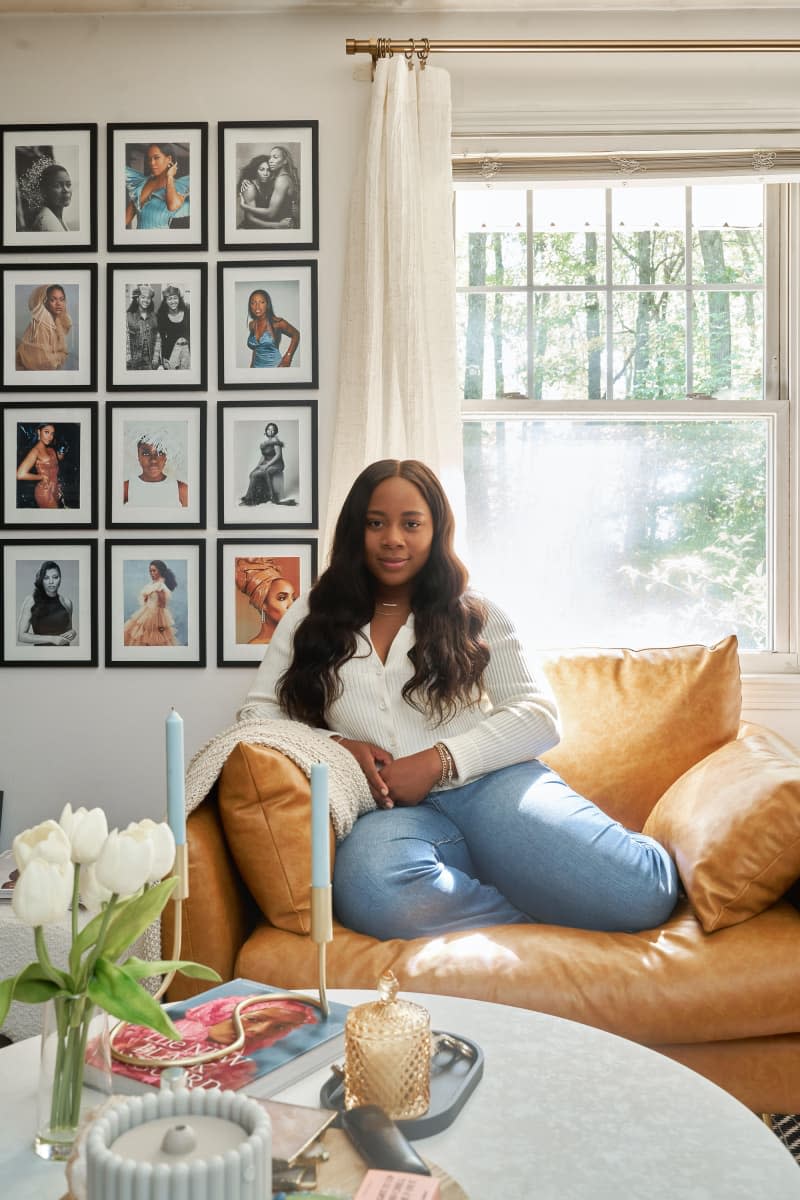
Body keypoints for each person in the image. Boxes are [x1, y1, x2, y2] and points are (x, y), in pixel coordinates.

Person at [239, 459, 679, 942]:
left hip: (494, 789)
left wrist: (440, 760)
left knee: (643, 893)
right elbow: (257, 716)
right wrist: (340, 745)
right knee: (371, 890)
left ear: (436, 529)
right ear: (353, 530)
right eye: (375, 523)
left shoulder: (476, 610)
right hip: (391, 815)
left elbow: (538, 716)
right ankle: (522, 912)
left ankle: (547, 862)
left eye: (411, 524)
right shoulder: (309, 615)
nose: (393, 539)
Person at [125, 142, 190, 230]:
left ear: (169, 159)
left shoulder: (179, 185)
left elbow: (172, 206)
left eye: (156, 158)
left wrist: (169, 177)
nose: (151, 163)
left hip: (162, 240)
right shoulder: (143, 183)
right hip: (138, 240)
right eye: (149, 159)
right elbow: (125, 219)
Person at [235, 558, 296, 644]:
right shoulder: (254, 646)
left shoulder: (296, 642)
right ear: (263, 604)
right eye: (282, 598)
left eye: (293, 598)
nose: (292, 605)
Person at [17, 561, 76, 647]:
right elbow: (21, 636)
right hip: (41, 657)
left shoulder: (67, 602)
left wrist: (73, 632)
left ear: (60, 578)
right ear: (42, 580)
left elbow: (68, 630)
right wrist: (52, 639)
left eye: (55, 577)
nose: (51, 582)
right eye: (46, 578)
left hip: (64, 655)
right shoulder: (31, 601)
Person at [237, 146, 299, 230]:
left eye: (268, 170)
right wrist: (277, 225)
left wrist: (244, 206)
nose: (266, 173)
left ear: (285, 161)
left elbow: (272, 213)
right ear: (255, 170)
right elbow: (250, 220)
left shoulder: (277, 181)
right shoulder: (250, 187)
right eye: (261, 169)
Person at [15, 284, 72, 371]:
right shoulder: (41, 324)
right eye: (53, 300)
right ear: (45, 302)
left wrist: (60, 355)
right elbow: (44, 362)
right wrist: (61, 355)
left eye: (62, 299)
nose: (59, 303)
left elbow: (62, 351)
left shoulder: (57, 322)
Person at [122, 560, 178, 647]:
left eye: (154, 570)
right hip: (145, 613)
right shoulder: (152, 585)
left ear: (160, 571)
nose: (151, 573)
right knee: (138, 635)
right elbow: (146, 600)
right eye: (150, 571)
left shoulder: (160, 586)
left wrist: (158, 623)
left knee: (153, 638)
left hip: (155, 616)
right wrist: (147, 598)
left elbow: (162, 606)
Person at [123, 433, 188, 508]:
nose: (153, 460)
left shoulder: (182, 489)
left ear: (166, 456)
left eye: (160, 453)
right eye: (146, 453)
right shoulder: (126, 488)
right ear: (138, 456)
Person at [239, 422, 296, 506]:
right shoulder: (266, 442)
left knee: (257, 474)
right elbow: (264, 456)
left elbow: (278, 456)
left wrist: (267, 465)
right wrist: (258, 466)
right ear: (266, 430)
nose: (271, 431)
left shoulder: (275, 441)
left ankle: (250, 499)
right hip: (269, 463)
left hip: (277, 464)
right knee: (252, 474)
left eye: (273, 430)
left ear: (275, 431)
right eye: (269, 429)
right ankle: (254, 496)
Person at [16, 422, 66, 509]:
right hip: (45, 492)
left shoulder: (50, 449)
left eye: (52, 434)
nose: (50, 437)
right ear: (39, 432)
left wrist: (61, 453)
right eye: (46, 432)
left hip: (56, 488)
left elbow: (56, 463)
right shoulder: (35, 451)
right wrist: (41, 477)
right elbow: (20, 474)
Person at [17, 156, 73, 233]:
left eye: (68, 184)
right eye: (57, 185)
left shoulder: (56, 217)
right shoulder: (46, 223)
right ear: (44, 191)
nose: (66, 190)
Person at [246, 290, 299, 369]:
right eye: (253, 303)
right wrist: (251, 366)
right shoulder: (252, 325)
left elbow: (296, 334)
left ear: (267, 304)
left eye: (262, 302)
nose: (257, 306)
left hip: (275, 367)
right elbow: (256, 348)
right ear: (250, 305)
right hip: (256, 368)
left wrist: (288, 356)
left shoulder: (277, 323)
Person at [126, 284, 160, 370]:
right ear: (137, 299)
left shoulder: (155, 316)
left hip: (150, 361)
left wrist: (156, 358)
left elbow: (158, 338)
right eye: (143, 297)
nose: (146, 300)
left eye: (148, 298)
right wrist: (128, 358)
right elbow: (125, 338)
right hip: (133, 361)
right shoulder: (128, 316)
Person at [155, 286, 190, 370]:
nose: (173, 301)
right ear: (166, 301)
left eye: (175, 298)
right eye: (169, 299)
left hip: (187, 352)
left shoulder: (187, 312)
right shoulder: (161, 316)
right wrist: (159, 361)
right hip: (170, 354)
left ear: (179, 299)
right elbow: (160, 339)